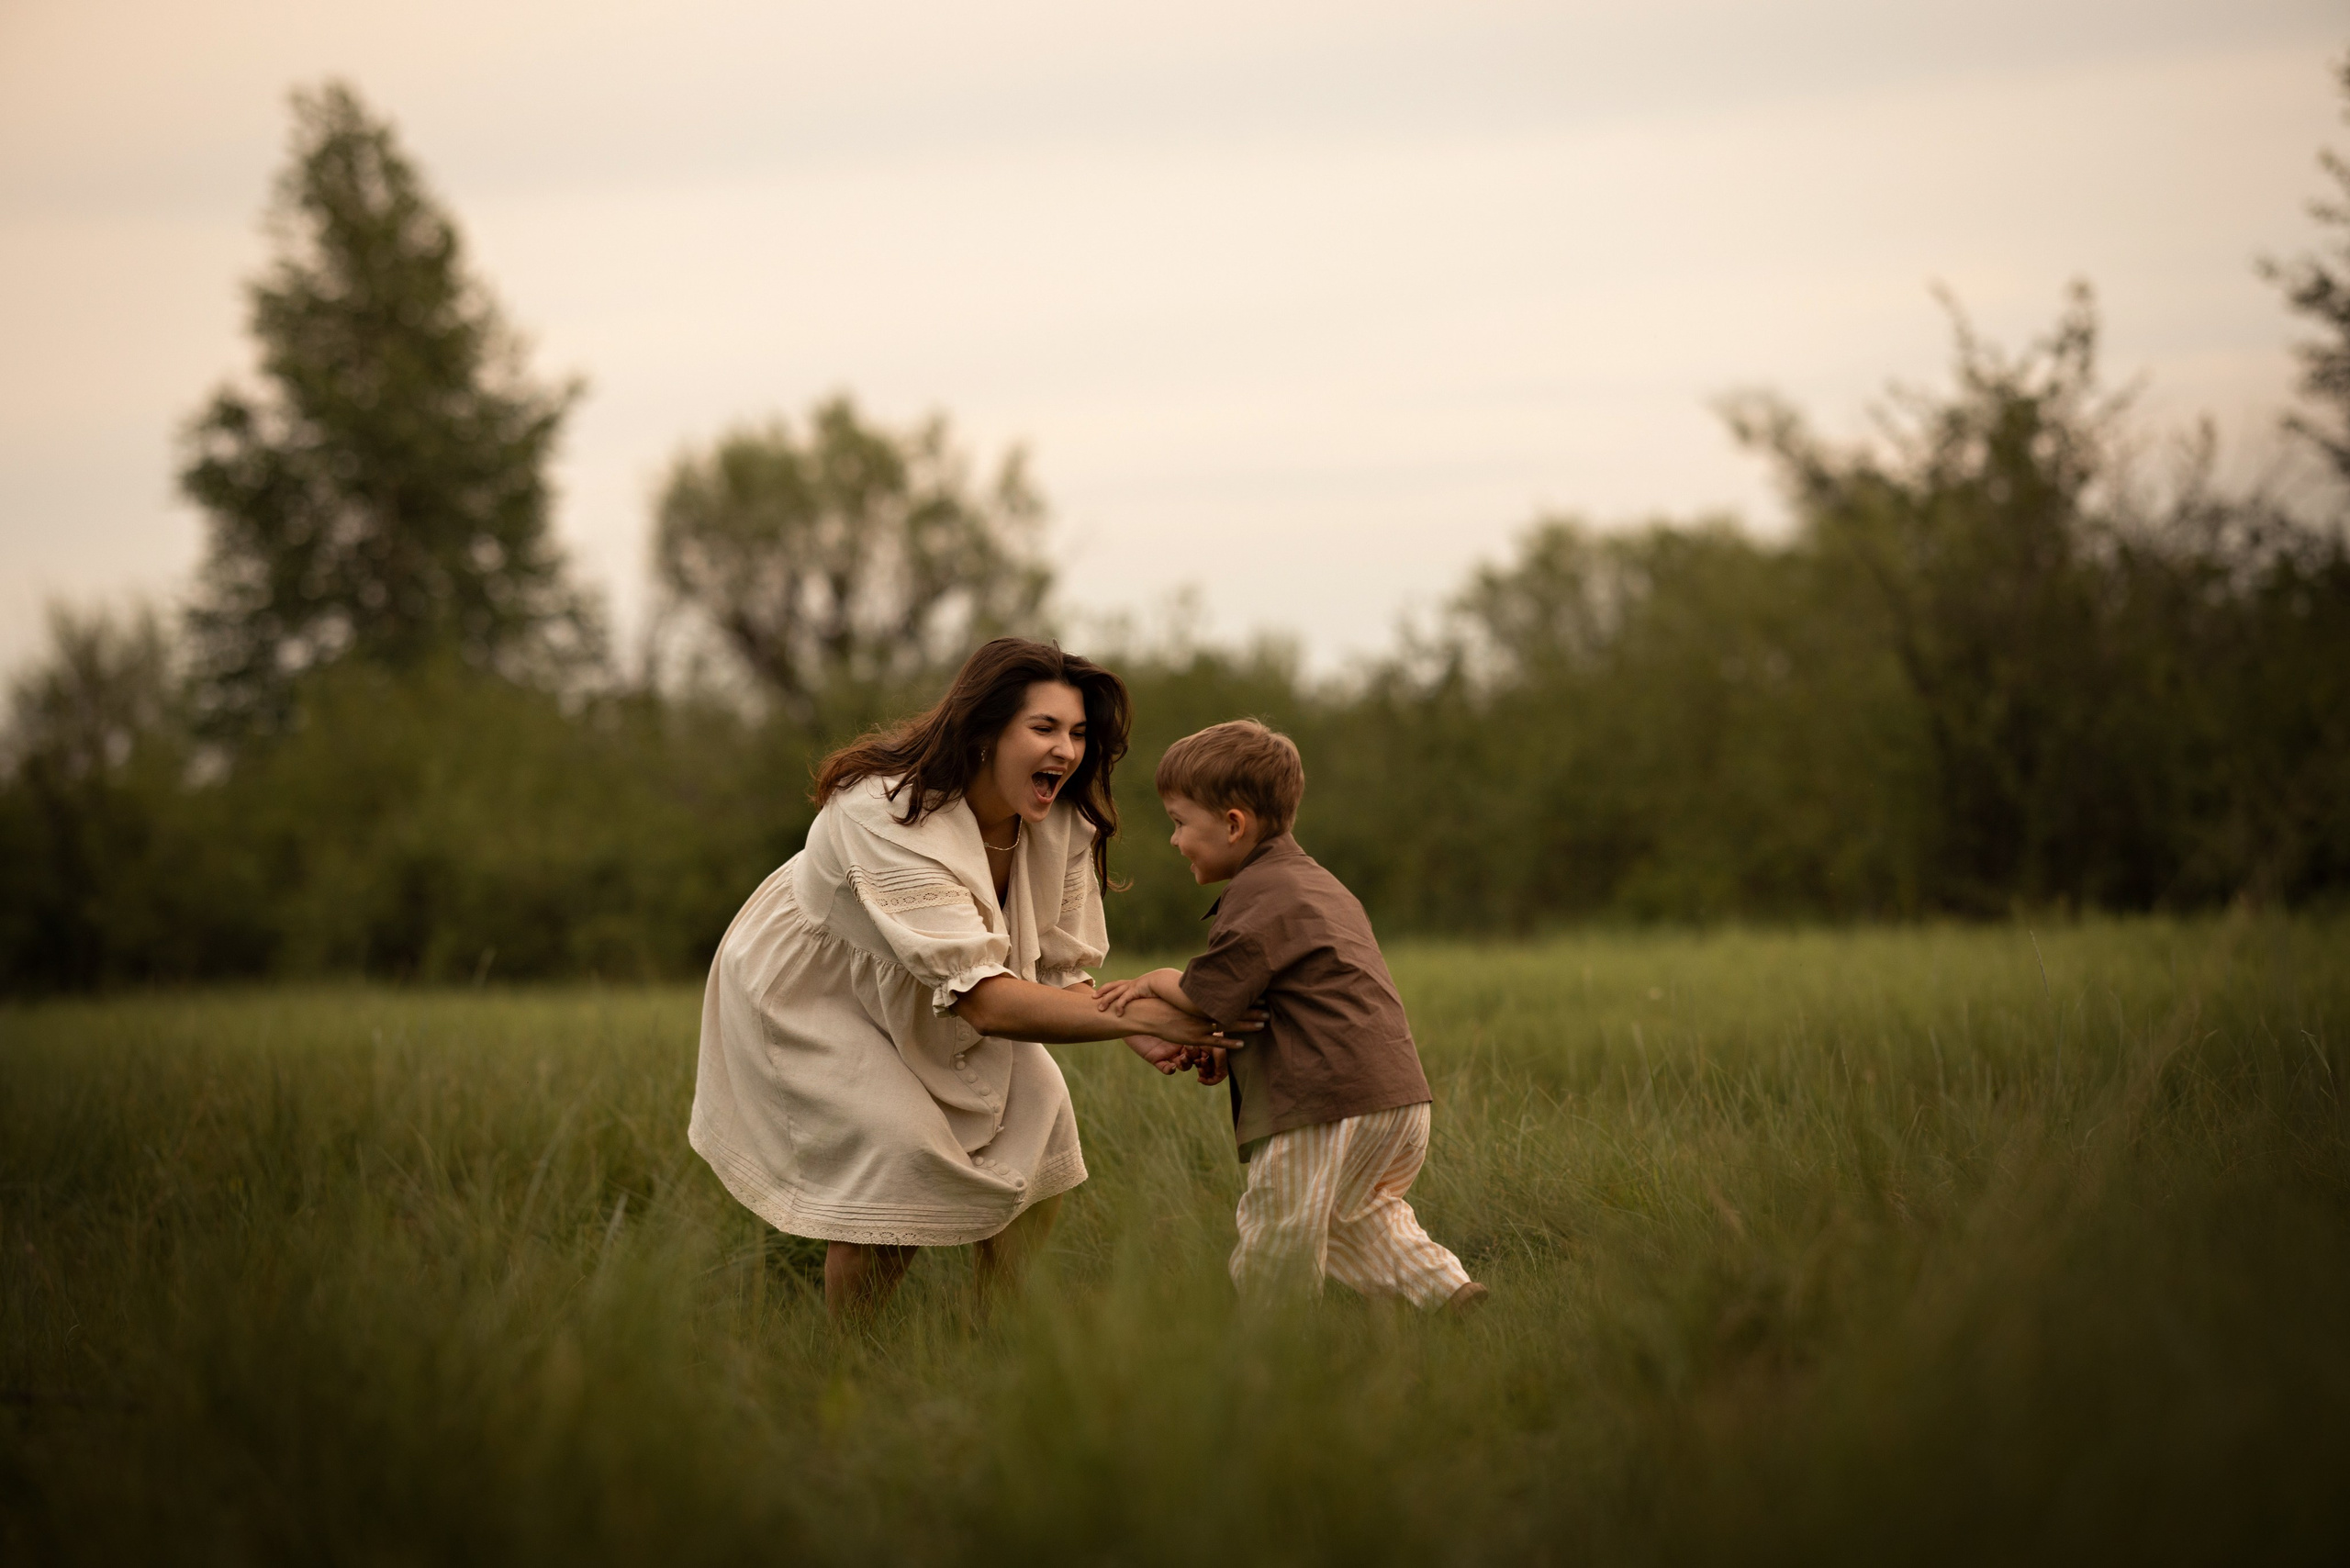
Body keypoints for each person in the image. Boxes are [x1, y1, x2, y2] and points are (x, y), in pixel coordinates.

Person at [688, 639, 1254, 1323]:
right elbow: (986, 1002)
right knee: (898, 1147)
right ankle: (852, 1360)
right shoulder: (884, 813)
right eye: (1043, 728)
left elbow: (1057, 970)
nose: (1067, 752)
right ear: (984, 730)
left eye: (1077, 734)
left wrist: (1138, 1028)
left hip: (945, 989)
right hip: (818, 989)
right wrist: (1153, 1016)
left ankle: (993, 1333)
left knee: (1044, 1113)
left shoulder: (1061, 821)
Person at [1094, 719, 1487, 1314]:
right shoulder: (1320, 886)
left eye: (1179, 824)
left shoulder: (1259, 893)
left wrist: (1154, 981)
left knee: (1281, 1232)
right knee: (1358, 1218)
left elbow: (1207, 994)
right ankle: (1450, 1296)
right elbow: (1286, 994)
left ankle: (1272, 1356)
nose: (1174, 841)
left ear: (1233, 824)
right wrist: (1223, 1045)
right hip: (1396, 1095)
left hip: (1322, 1101)